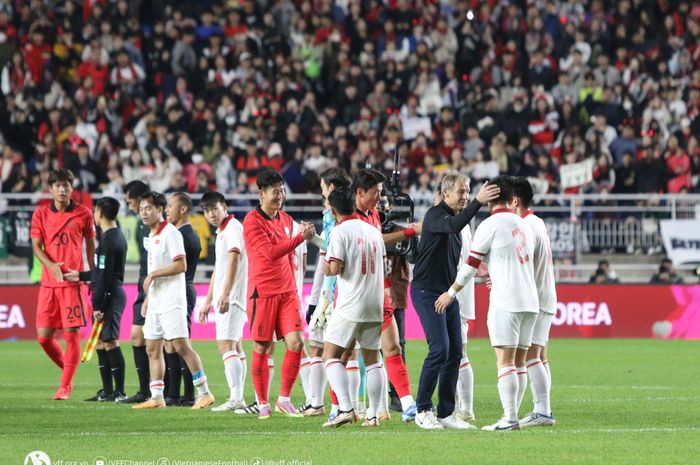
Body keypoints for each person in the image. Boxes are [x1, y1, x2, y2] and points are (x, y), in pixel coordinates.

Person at [435, 176, 539, 431]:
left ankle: (510, 418)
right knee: (519, 362)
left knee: (504, 362)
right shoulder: (524, 223)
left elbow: (470, 265)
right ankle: (513, 415)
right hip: (530, 301)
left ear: (490, 195)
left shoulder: (490, 224)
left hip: (507, 301)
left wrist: (451, 292)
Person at [411, 172, 498, 429]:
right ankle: (423, 409)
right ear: (446, 193)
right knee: (439, 349)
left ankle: (446, 413)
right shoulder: (435, 216)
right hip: (427, 292)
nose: (466, 195)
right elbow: (454, 225)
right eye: (461, 191)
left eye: (468, 191)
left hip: (448, 295)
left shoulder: (456, 224)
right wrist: (478, 202)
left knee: (455, 353)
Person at [337, 168, 420, 422]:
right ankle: (341, 406)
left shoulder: (372, 213)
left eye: (381, 193)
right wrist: (409, 231)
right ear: (360, 192)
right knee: (343, 354)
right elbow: (376, 241)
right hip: (353, 295)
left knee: (391, 348)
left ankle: (404, 404)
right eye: (376, 193)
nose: (380, 199)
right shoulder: (350, 218)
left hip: (377, 291)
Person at [242, 168, 315, 419]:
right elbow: (272, 253)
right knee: (262, 347)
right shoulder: (252, 221)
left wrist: (303, 234)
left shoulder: (285, 219)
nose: (280, 196)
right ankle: (262, 403)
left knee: (296, 343)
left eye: (282, 191)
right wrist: (299, 239)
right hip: (261, 292)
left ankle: (284, 399)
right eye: (275, 192)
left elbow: (295, 246)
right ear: (261, 193)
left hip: (287, 292)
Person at [134, 191, 214, 410]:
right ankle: (157, 396)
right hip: (157, 301)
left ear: (160, 210)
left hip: (172, 300)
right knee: (152, 348)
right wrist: (148, 298)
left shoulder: (171, 233)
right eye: (141, 209)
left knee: (181, 346)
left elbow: (181, 265)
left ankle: (205, 392)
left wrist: (153, 276)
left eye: (149, 208)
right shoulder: (152, 236)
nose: (144, 213)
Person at [322, 187, 387, 427]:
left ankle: (346, 409)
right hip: (375, 302)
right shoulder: (373, 231)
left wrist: (325, 264)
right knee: (373, 360)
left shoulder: (339, 232)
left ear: (333, 209)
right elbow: (383, 265)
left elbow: (335, 268)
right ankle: (373, 414)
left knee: (330, 355)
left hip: (351, 303)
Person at [31, 169, 96, 400]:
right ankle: (68, 370)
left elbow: (90, 246)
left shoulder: (84, 213)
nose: (62, 189)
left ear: (72, 187)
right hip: (49, 284)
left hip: (72, 283)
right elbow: (37, 247)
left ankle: (65, 386)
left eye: (66, 185)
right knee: (43, 338)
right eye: (58, 185)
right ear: (50, 189)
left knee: (71, 336)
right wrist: (51, 266)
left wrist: (90, 275)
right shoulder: (40, 214)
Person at [509, 177, 557, 427]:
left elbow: (524, 264)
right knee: (540, 355)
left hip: (536, 297)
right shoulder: (537, 222)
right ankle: (543, 408)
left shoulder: (525, 225)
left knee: (531, 356)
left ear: (514, 200)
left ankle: (543, 410)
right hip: (546, 293)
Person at [305, 168, 352, 417]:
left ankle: (334, 406)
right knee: (338, 350)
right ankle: (362, 407)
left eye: (323, 187)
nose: (321, 192)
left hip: (333, 291)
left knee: (330, 351)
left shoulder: (332, 216)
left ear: (331, 188)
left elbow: (331, 255)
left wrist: (312, 238)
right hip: (338, 289)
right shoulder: (354, 214)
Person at [198, 191, 249, 412]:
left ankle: (236, 397)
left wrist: (226, 293)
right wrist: (208, 300)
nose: (211, 214)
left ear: (224, 207)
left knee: (226, 346)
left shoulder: (233, 228)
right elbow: (219, 269)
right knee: (235, 346)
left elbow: (235, 258)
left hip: (233, 296)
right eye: (207, 211)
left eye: (214, 209)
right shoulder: (222, 232)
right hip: (226, 295)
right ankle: (238, 398)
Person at [78, 197, 128, 402]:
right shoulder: (115, 236)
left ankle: (119, 391)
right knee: (100, 342)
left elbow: (106, 275)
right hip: (109, 292)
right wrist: (81, 276)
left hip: (110, 295)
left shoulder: (109, 241)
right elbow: (100, 272)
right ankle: (107, 391)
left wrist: (99, 304)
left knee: (110, 341)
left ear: (99, 213)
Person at [164, 192, 201, 406]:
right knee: (172, 343)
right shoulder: (184, 234)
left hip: (181, 290)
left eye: (171, 205)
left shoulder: (183, 236)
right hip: (181, 289)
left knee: (181, 343)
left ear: (183, 209)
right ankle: (174, 394)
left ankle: (188, 395)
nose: (168, 210)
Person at [119, 180, 152, 404]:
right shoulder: (141, 225)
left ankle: (172, 393)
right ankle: (145, 390)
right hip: (144, 284)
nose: (129, 206)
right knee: (137, 336)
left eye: (131, 201)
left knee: (168, 342)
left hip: (156, 285)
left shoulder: (155, 225)